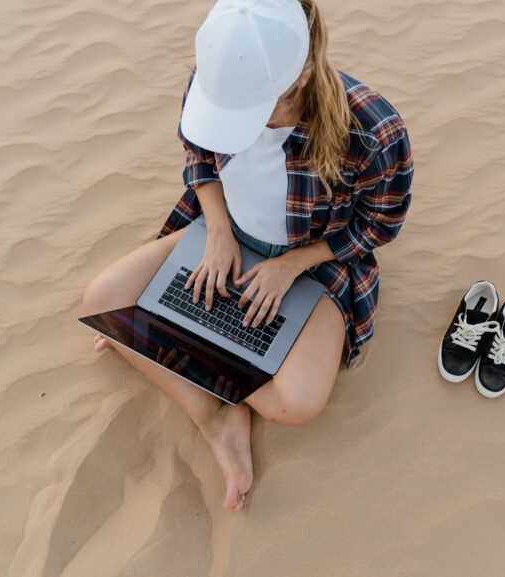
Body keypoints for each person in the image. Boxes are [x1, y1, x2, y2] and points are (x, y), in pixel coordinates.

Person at [82, 0, 414, 512]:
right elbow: (198, 157)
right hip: (222, 232)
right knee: (103, 300)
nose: (243, 126)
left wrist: (291, 264)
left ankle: (164, 341)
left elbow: (379, 226)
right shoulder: (218, 75)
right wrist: (216, 229)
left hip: (312, 260)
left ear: (301, 75)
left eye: (255, 114)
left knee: (297, 402)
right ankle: (214, 416)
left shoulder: (373, 131)